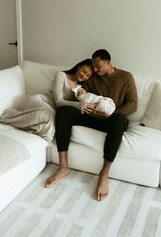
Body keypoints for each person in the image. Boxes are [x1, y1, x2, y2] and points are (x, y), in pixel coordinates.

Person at [44, 49, 137, 202]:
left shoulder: (126, 77)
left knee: (120, 121)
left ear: (108, 62)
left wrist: (112, 114)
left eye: (97, 66)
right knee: (63, 111)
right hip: (91, 116)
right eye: (92, 66)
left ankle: (104, 174)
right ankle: (63, 167)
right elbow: (81, 93)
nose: (94, 70)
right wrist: (82, 98)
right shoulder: (93, 77)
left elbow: (133, 104)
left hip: (112, 119)